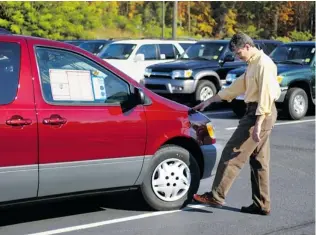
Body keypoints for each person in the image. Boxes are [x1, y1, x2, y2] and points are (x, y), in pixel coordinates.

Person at [192, 32, 281, 215]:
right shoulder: (253, 64)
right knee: (259, 161)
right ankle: (262, 204)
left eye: (239, 53)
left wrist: (258, 123)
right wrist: (210, 100)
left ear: (248, 46)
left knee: (232, 153)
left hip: (259, 113)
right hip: (259, 112)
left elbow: (266, 94)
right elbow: (237, 87)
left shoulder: (264, 64)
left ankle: (216, 196)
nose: (238, 57)